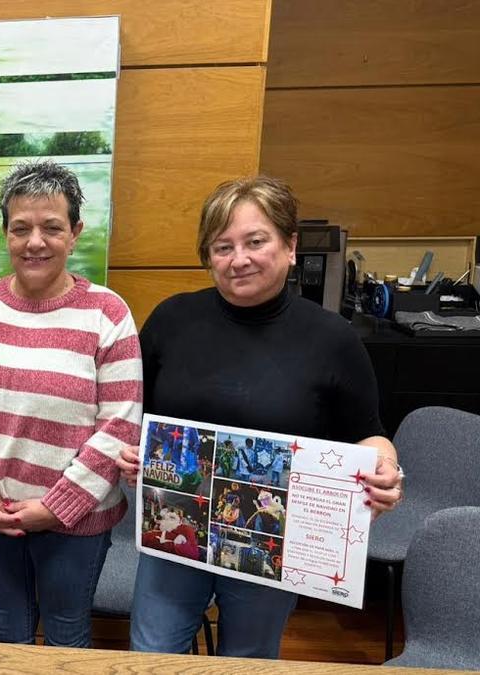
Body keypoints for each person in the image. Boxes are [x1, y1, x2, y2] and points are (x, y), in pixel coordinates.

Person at [116, 175, 403, 658]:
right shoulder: (171, 320)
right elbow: (136, 419)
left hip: (271, 542)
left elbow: (369, 435)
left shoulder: (333, 338)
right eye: (222, 246)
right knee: (153, 653)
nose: (239, 258)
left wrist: (385, 469)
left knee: (249, 662)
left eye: (255, 241)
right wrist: (131, 453)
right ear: (208, 256)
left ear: (290, 246)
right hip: (174, 529)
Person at [0, 160, 142, 647]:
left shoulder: (106, 313)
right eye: (20, 228)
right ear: (5, 233)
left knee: (67, 634)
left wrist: (56, 508)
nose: (35, 242)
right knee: (6, 631)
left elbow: (120, 424)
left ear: (75, 233)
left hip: (75, 521)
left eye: (52, 227)